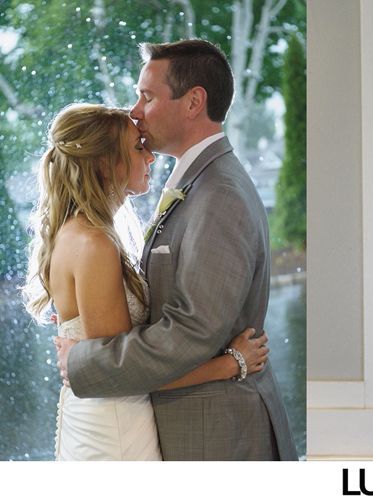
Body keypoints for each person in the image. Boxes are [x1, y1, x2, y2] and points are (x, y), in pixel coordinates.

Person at [54, 39, 297, 460]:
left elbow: (192, 331)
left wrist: (84, 364)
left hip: (217, 438)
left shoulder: (219, 194)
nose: (135, 110)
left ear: (193, 102)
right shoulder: (196, 183)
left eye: (147, 96)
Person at [22, 104, 270, 460]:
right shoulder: (94, 243)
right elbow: (122, 372)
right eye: (138, 147)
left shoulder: (80, 233)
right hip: (116, 428)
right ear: (106, 163)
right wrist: (231, 364)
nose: (150, 157)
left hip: (106, 417)